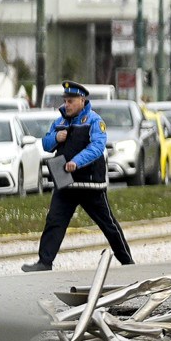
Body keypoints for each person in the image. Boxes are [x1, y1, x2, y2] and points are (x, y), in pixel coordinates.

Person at [23, 81, 133, 272]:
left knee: (108, 224)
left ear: (82, 100)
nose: (67, 104)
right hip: (65, 181)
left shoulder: (94, 121)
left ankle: (127, 262)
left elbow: (97, 147)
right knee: (54, 221)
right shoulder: (60, 122)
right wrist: (56, 138)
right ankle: (44, 262)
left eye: (71, 101)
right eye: (65, 101)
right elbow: (46, 144)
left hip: (89, 183)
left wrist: (77, 162)